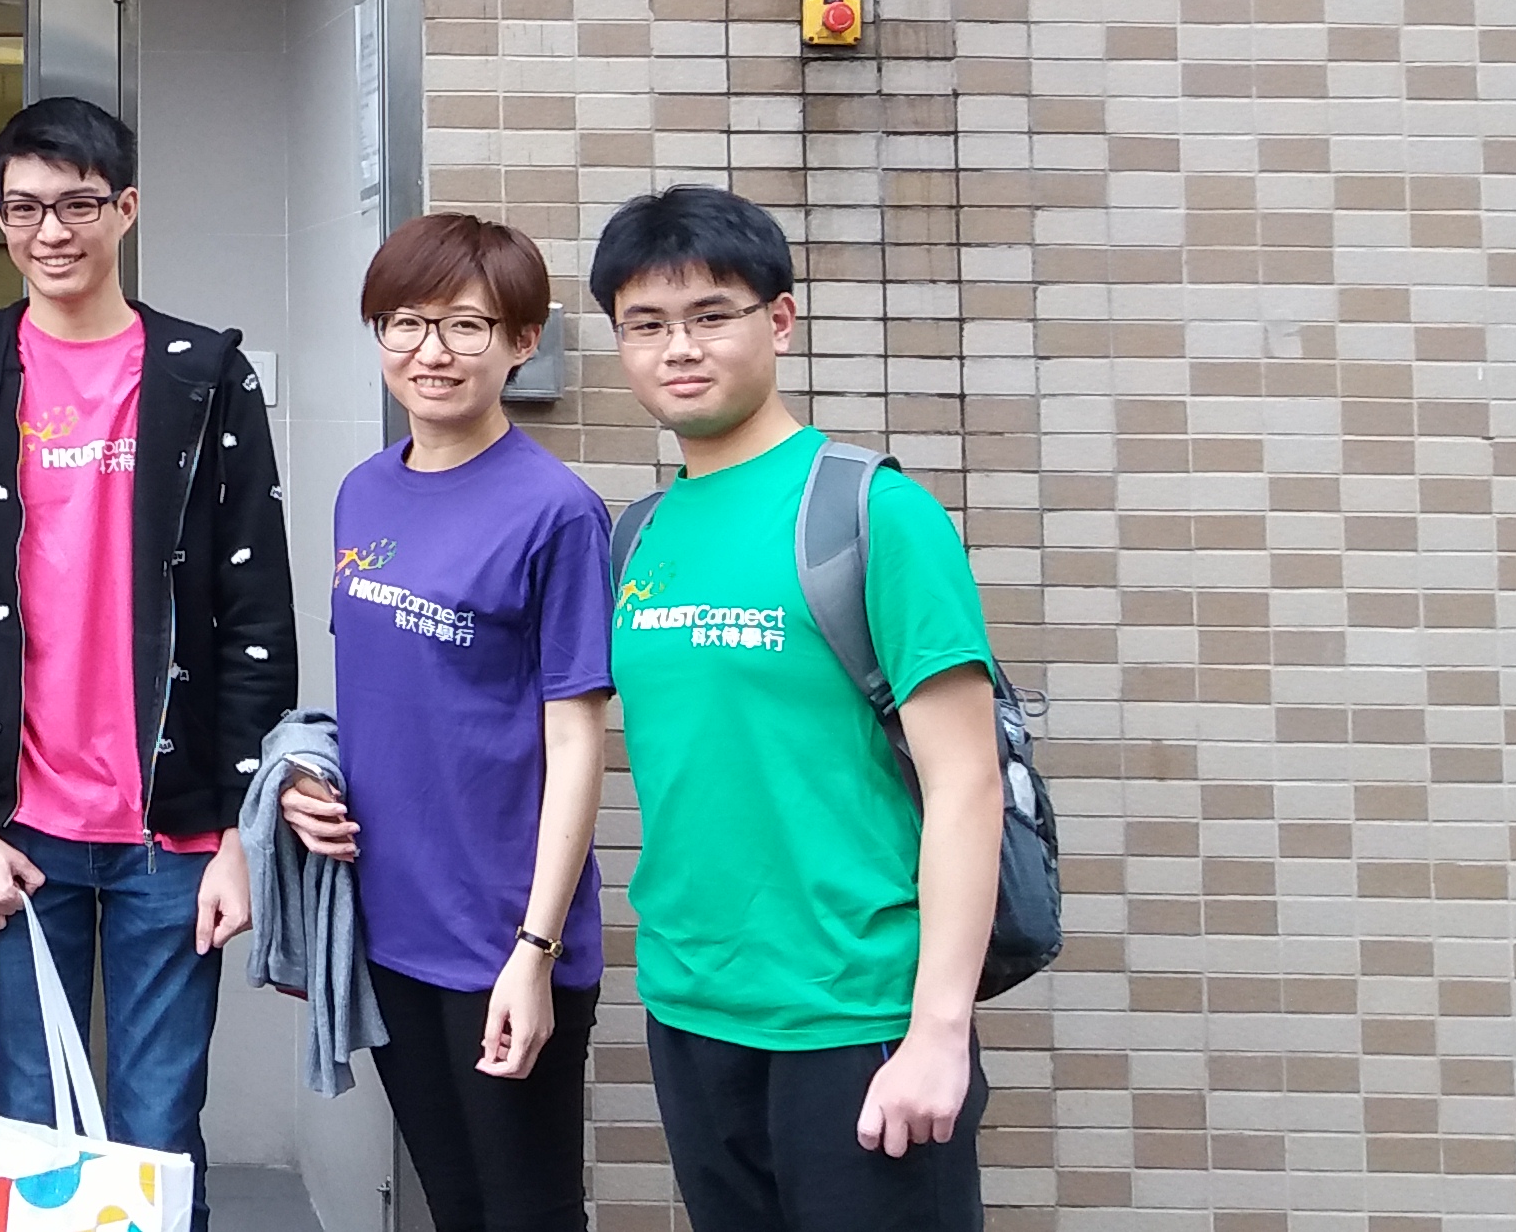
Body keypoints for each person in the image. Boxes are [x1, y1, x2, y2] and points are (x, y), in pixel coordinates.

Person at [0, 95, 295, 1222]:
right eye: (24, 208)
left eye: (76, 204)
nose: (51, 232)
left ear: (125, 209)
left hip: (174, 831)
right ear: (0, 218)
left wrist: (240, 834)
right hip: (21, 828)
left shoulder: (203, 374)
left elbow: (257, 611)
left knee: (158, 1133)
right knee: (28, 1130)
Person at [594, 187, 1005, 1232]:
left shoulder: (870, 512)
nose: (678, 349)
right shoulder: (640, 534)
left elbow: (966, 783)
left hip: (857, 1014)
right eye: (646, 325)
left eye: (711, 315)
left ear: (779, 319)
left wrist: (938, 1033)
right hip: (694, 1004)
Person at [276, 214, 610, 1232]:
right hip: (389, 924)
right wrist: (306, 782)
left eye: (468, 326)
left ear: (520, 341)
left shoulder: (557, 512)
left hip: (502, 936)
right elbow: (381, 700)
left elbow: (577, 738)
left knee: (527, 1212)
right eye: (407, 322)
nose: (432, 352)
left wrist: (536, 949)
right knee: (453, 1204)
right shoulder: (361, 494)